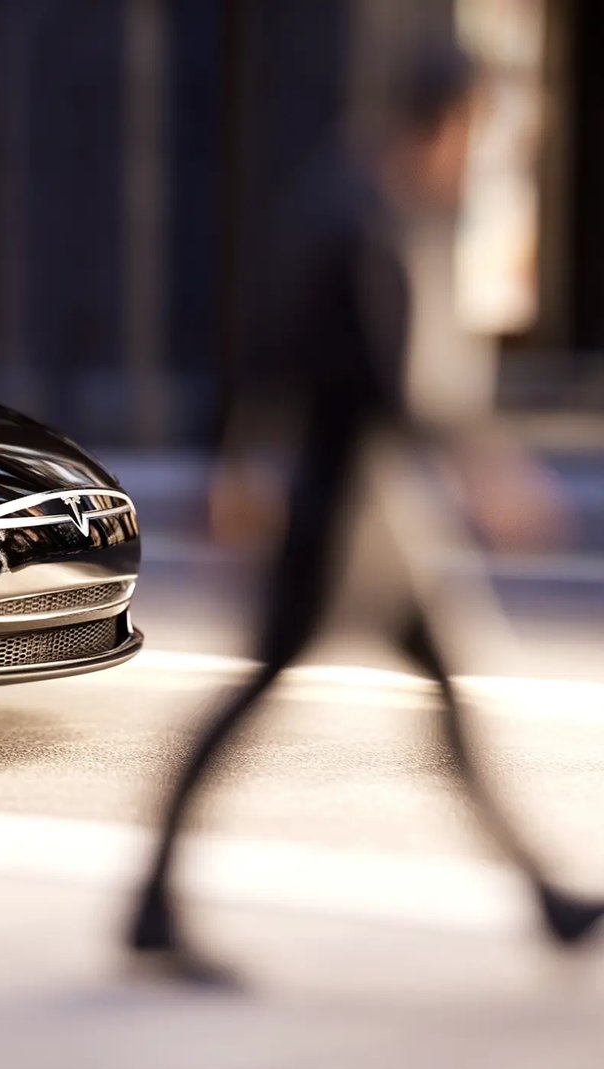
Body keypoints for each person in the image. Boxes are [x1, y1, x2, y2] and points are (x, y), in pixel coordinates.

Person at [126, 37, 604, 983]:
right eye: (475, 128)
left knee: (447, 706)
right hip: (337, 517)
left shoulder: (374, 207)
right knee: (254, 696)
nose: (474, 151)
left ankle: (545, 896)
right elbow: (365, 379)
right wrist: (486, 472)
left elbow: (293, 358)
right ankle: (151, 904)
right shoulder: (355, 218)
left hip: (377, 518)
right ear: (448, 121)